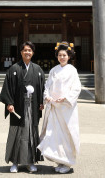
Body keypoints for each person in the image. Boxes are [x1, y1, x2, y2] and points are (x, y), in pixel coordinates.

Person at [0, 41, 45, 173]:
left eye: (30, 50)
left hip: (33, 107)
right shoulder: (14, 69)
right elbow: (8, 88)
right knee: (16, 133)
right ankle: (15, 162)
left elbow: (42, 88)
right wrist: (9, 103)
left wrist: (41, 102)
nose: (27, 52)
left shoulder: (38, 70)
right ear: (21, 52)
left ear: (33, 53)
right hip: (18, 107)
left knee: (31, 133)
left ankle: (30, 162)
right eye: (25, 50)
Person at [37, 41, 81, 174]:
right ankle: (59, 161)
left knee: (67, 134)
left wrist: (66, 98)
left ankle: (67, 163)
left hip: (66, 108)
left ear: (69, 56)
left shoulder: (72, 70)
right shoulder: (53, 70)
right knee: (54, 134)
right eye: (60, 55)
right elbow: (47, 86)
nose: (62, 57)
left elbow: (76, 88)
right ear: (57, 56)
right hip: (54, 107)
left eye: (64, 55)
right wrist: (47, 97)